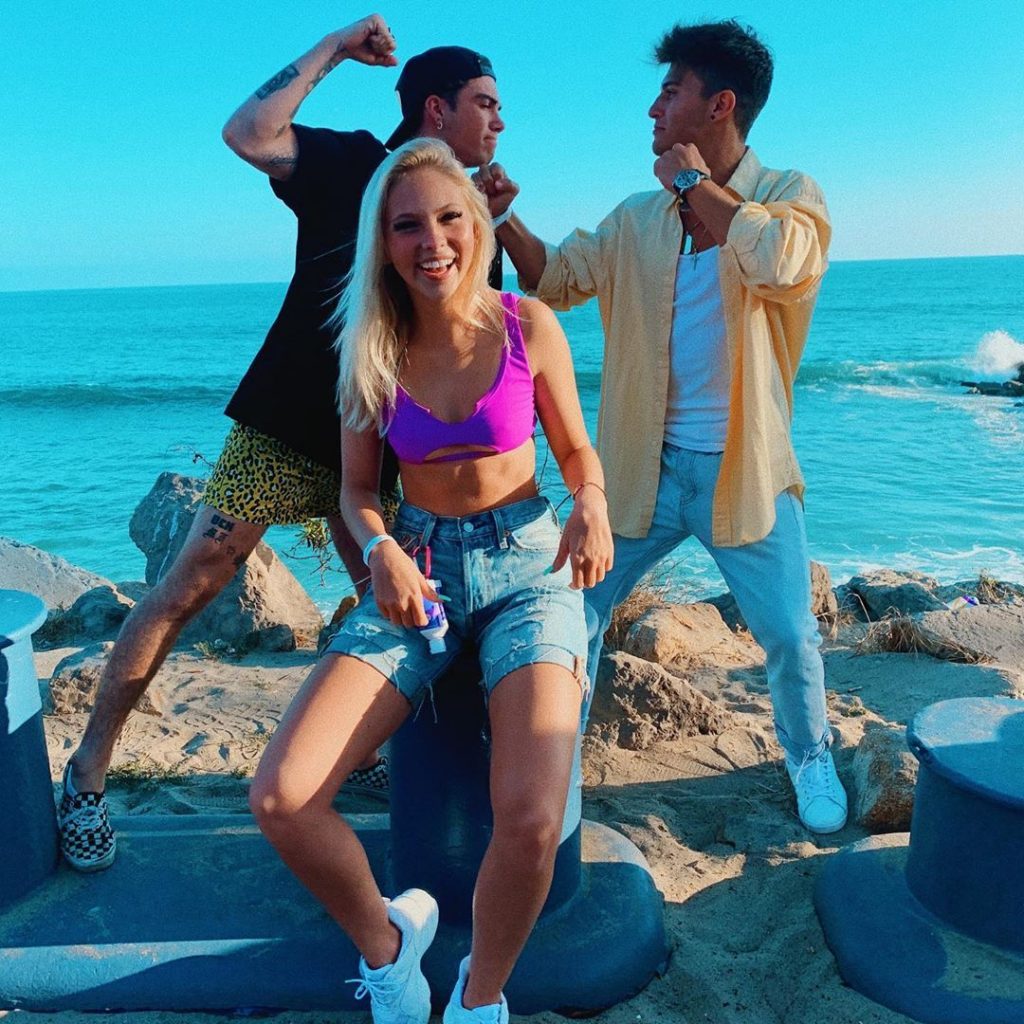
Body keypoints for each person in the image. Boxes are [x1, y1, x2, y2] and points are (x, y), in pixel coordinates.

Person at [56, 14, 507, 873]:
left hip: (387, 451)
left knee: (396, 606)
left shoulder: (466, 221)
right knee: (189, 582)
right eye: (485, 104)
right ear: (436, 109)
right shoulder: (352, 165)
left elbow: (476, 346)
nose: (499, 121)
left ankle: (368, 756)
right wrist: (336, 47)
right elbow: (248, 132)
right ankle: (86, 774)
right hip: (290, 428)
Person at [250, 137, 613, 1024]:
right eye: (407, 225)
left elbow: (576, 451)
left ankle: (479, 999)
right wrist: (379, 549)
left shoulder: (528, 325)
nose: (433, 241)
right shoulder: (370, 348)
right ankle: (389, 948)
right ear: (383, 243)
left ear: (477, 227)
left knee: (531, 817)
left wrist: (593, 504)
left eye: (450, 218)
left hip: (531, 569)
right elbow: (357, 490)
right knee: (281, 797)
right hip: (416, 569)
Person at [480, 20, 848, 834]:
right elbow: (556, 280)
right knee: (573, 612)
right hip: (641, 469)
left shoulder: (789, 195)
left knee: (791, 635)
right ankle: (556, 766)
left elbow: (781, 263)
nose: (653, 108)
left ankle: (808, 752)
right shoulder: (637, 219)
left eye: (671, 91)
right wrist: (505, 220)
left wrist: (692, 183)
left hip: (744, 471)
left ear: (720, 105)